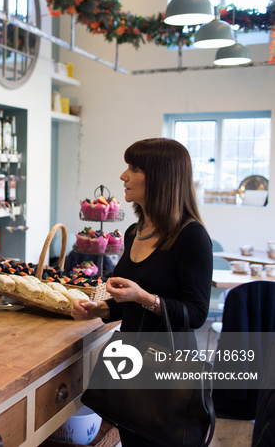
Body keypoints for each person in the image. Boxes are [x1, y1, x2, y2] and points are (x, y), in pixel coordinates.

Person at [71, 137, 213, 446]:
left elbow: (197, 314)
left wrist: (144, 298)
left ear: (162, 178)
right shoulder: (135, 231)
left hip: (168, 367)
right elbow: (127, 303)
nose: (123, 176)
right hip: (129, 362)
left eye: (133, 168)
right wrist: (101, 309)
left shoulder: (192, 237)